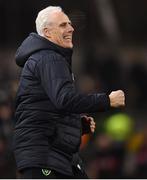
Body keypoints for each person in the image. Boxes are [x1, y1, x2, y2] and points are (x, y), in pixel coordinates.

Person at [13, 6, 125, 179]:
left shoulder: (44, 57)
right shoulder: (49, 57)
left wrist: (76, 125)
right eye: (63, 25)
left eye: (70, 24)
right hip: (45, 157)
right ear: (47, 32)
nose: (71, 28)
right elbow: (64, 99)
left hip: (53, 156)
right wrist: (106, 100)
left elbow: (42, 110)